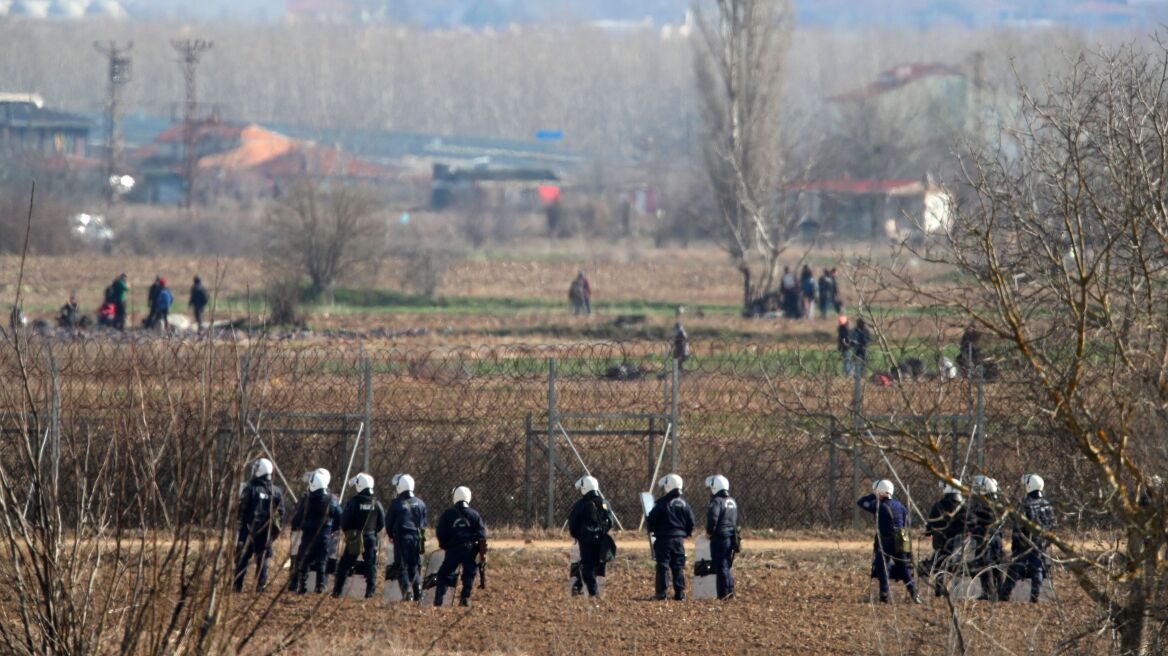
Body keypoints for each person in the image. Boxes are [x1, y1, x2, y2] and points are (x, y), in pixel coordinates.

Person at [857, 479, 922, 604]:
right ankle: (915, 595)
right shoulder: (900, 506)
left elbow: (861, 502)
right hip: (901, 539)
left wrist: (874, 494)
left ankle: (884, 596)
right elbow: (906, 521)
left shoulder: (878, 506)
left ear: (879, 492)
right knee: (904, 569)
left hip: (886, 540)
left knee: (883, 568)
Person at [999, 474, 1055, 603]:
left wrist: (1016, 542)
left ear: (1029, 486)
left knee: (1015, 568)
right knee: (1037, 568)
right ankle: (1035, 597)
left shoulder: (1025, 504)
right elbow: (1051, 524)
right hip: (1041, 542)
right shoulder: (1047, 504)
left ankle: (1004, 595)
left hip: (1025, 543)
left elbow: (1018, 525)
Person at [233, 458, 286, 593]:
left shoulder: (250, 488)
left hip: (249, 528)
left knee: (243, 558)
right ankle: (260, 586)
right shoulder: (276, 491)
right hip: (266, 531)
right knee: (262, 559)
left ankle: (237, 585)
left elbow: (241, 508)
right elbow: (281, 513)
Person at [333, 473, 386, 599]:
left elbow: (344, 521)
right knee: (370, 565)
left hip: (355, 537)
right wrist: (372, 531)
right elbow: (381, 523)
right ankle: (370, 592)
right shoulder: (376, 503)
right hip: (371, 538)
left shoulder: (353, 502)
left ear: (360, 486)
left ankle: (337, 591)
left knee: (345, 565)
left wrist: (348, 532)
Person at [433, 486, 488, 607]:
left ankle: (439, 598)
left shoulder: (448, 514)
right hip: (469, 550)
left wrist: (445, 545)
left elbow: (440, 532)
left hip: (453, 549)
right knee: (469, 573)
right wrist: (482, 554)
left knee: (445, 572)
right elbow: (482, 537)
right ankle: (465, 598)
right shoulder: (475, 515)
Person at [290, 468, 342, 594]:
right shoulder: (332, 500)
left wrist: (297, 526)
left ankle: (302, 586)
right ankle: (320, 585)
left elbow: (298, 518)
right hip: (325, 535)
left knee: (304, 561)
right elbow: (339, 517)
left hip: (308, 534)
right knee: (322, 561)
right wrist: (332, 529)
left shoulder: (306, 499)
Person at [646, 473, 695, 601]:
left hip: (664, 539)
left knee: (663, 565)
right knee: (678, 565)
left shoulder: (662, 503)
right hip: (679, 540)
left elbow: (651, 520)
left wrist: (652, 530)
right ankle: (680, 593)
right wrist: (687, 533)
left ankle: (661, 593)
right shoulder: (685, 504)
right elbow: (691, 521)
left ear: (668, 486)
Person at [568, 475, 613, 598]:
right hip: (601, 539)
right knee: (594, 564)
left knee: (587, 565)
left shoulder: (580, 505)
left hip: (586, 540)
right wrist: (602, 531)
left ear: (584, 488)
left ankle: (593, 593)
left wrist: (578, 535)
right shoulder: (604, 503)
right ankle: (578, 586)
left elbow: (572, 524)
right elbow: (610, 521)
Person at [386, 473, 427, 601]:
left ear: (400, 487)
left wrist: (390, 535)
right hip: (416, 537)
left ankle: (407, 592)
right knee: (414, 565)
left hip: (402, 537)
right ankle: (418, 591)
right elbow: (424, 522)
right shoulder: (421, 504)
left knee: (401, 565)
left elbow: (389, 522)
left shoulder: (396, 504)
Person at [924, 480, 966, 597]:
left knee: (939, 565)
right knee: (958, 566)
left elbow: (930, 524)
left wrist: (928, 532)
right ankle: (957, 591)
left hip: (940, 542)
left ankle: (939, 589)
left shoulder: (938, 506)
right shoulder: (963, 507)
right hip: (958, 543)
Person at [968, 475, 1005, 600]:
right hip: (997, 538)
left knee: (984, 564)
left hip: (984, 538)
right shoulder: (996, 501)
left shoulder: (984, 503)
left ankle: (988, 591)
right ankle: (1000, 590)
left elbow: (975, 520)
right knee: (996, 564)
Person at [705, 474, 739, 600]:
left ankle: (724, 594)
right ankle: (730, 590)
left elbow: (713, 518)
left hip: (720, 538)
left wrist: (709, 532)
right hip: (731, 536)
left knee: (721, 565)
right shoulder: (732, 501)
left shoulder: (717, 501)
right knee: (726, 565)